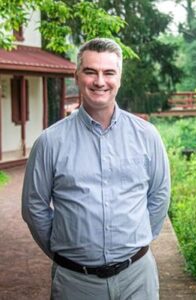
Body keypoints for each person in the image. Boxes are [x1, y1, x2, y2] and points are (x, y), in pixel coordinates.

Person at [22, 37, 171, 300]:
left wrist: (134, 241)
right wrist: (64, 252)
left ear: (119, 78)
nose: (100, 81)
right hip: (75, 283)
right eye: (90, 72)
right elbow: (34, 207)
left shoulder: (147, 136)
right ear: (77, 76)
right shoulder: (49, 142)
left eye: (108, 72)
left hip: (137, 278)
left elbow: (159, 196)